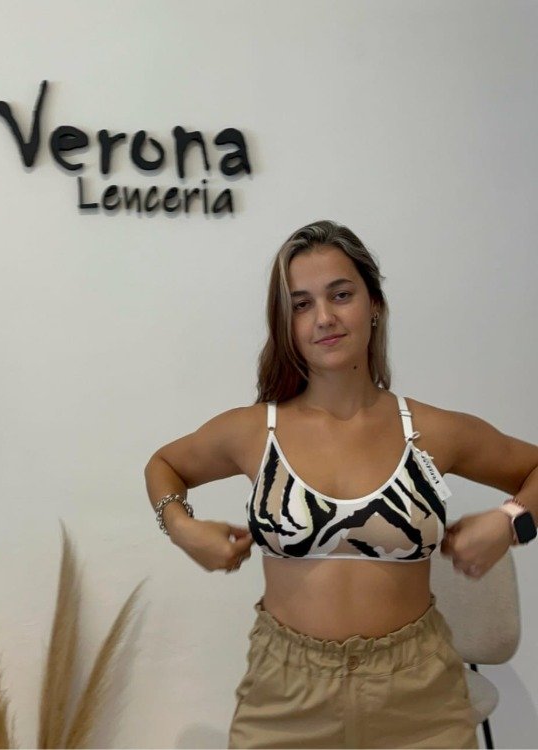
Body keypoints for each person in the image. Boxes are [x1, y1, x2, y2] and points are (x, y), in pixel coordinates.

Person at [143, 220, 538, 749]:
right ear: (285, 323)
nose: (324, 318)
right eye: (301, 304)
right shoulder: (254, 431)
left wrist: (512, 522)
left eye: (341, 295)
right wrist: (181, 527)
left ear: (374, 304)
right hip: (285, 698)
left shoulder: (433, 430)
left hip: (420, 698)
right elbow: (164, 464)